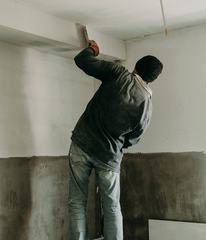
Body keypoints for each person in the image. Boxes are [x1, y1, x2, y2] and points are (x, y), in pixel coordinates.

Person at [68, 40, 163, 240]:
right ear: (152, 79)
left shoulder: (118, 73)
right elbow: (134, 138)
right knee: (112, 207)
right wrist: (118, 142)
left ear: (136, 66)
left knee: (77, 202)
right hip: (109, 156)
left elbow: (82, 60)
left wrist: (92, 49)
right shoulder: (146, 105)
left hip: (82, 144)